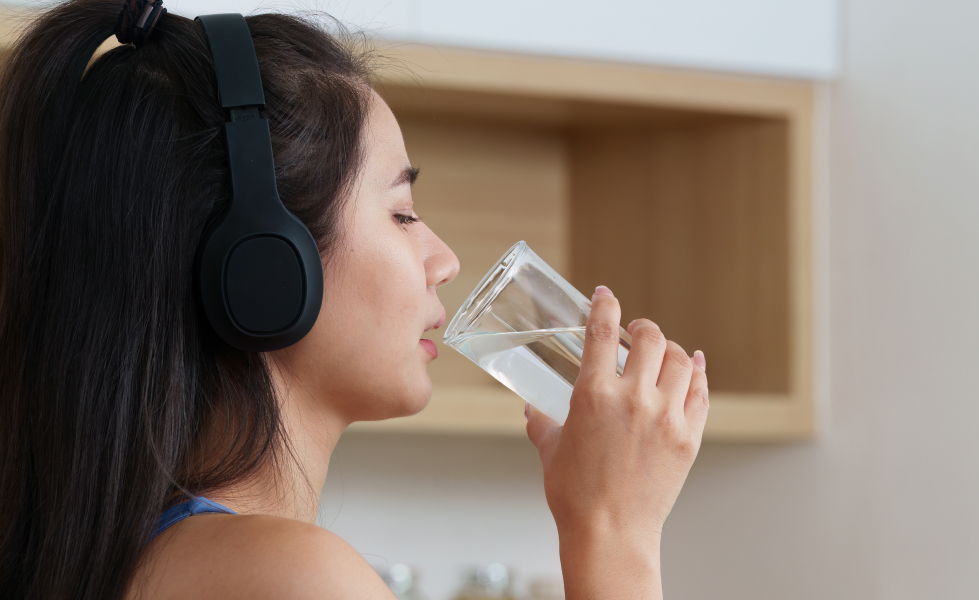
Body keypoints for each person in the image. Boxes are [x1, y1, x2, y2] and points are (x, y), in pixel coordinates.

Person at [0, 1, 710, 598]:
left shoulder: (162, 555)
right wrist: (613, 531)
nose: (445, 260)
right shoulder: (290, 577)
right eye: (402, 214)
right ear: (264, 268)